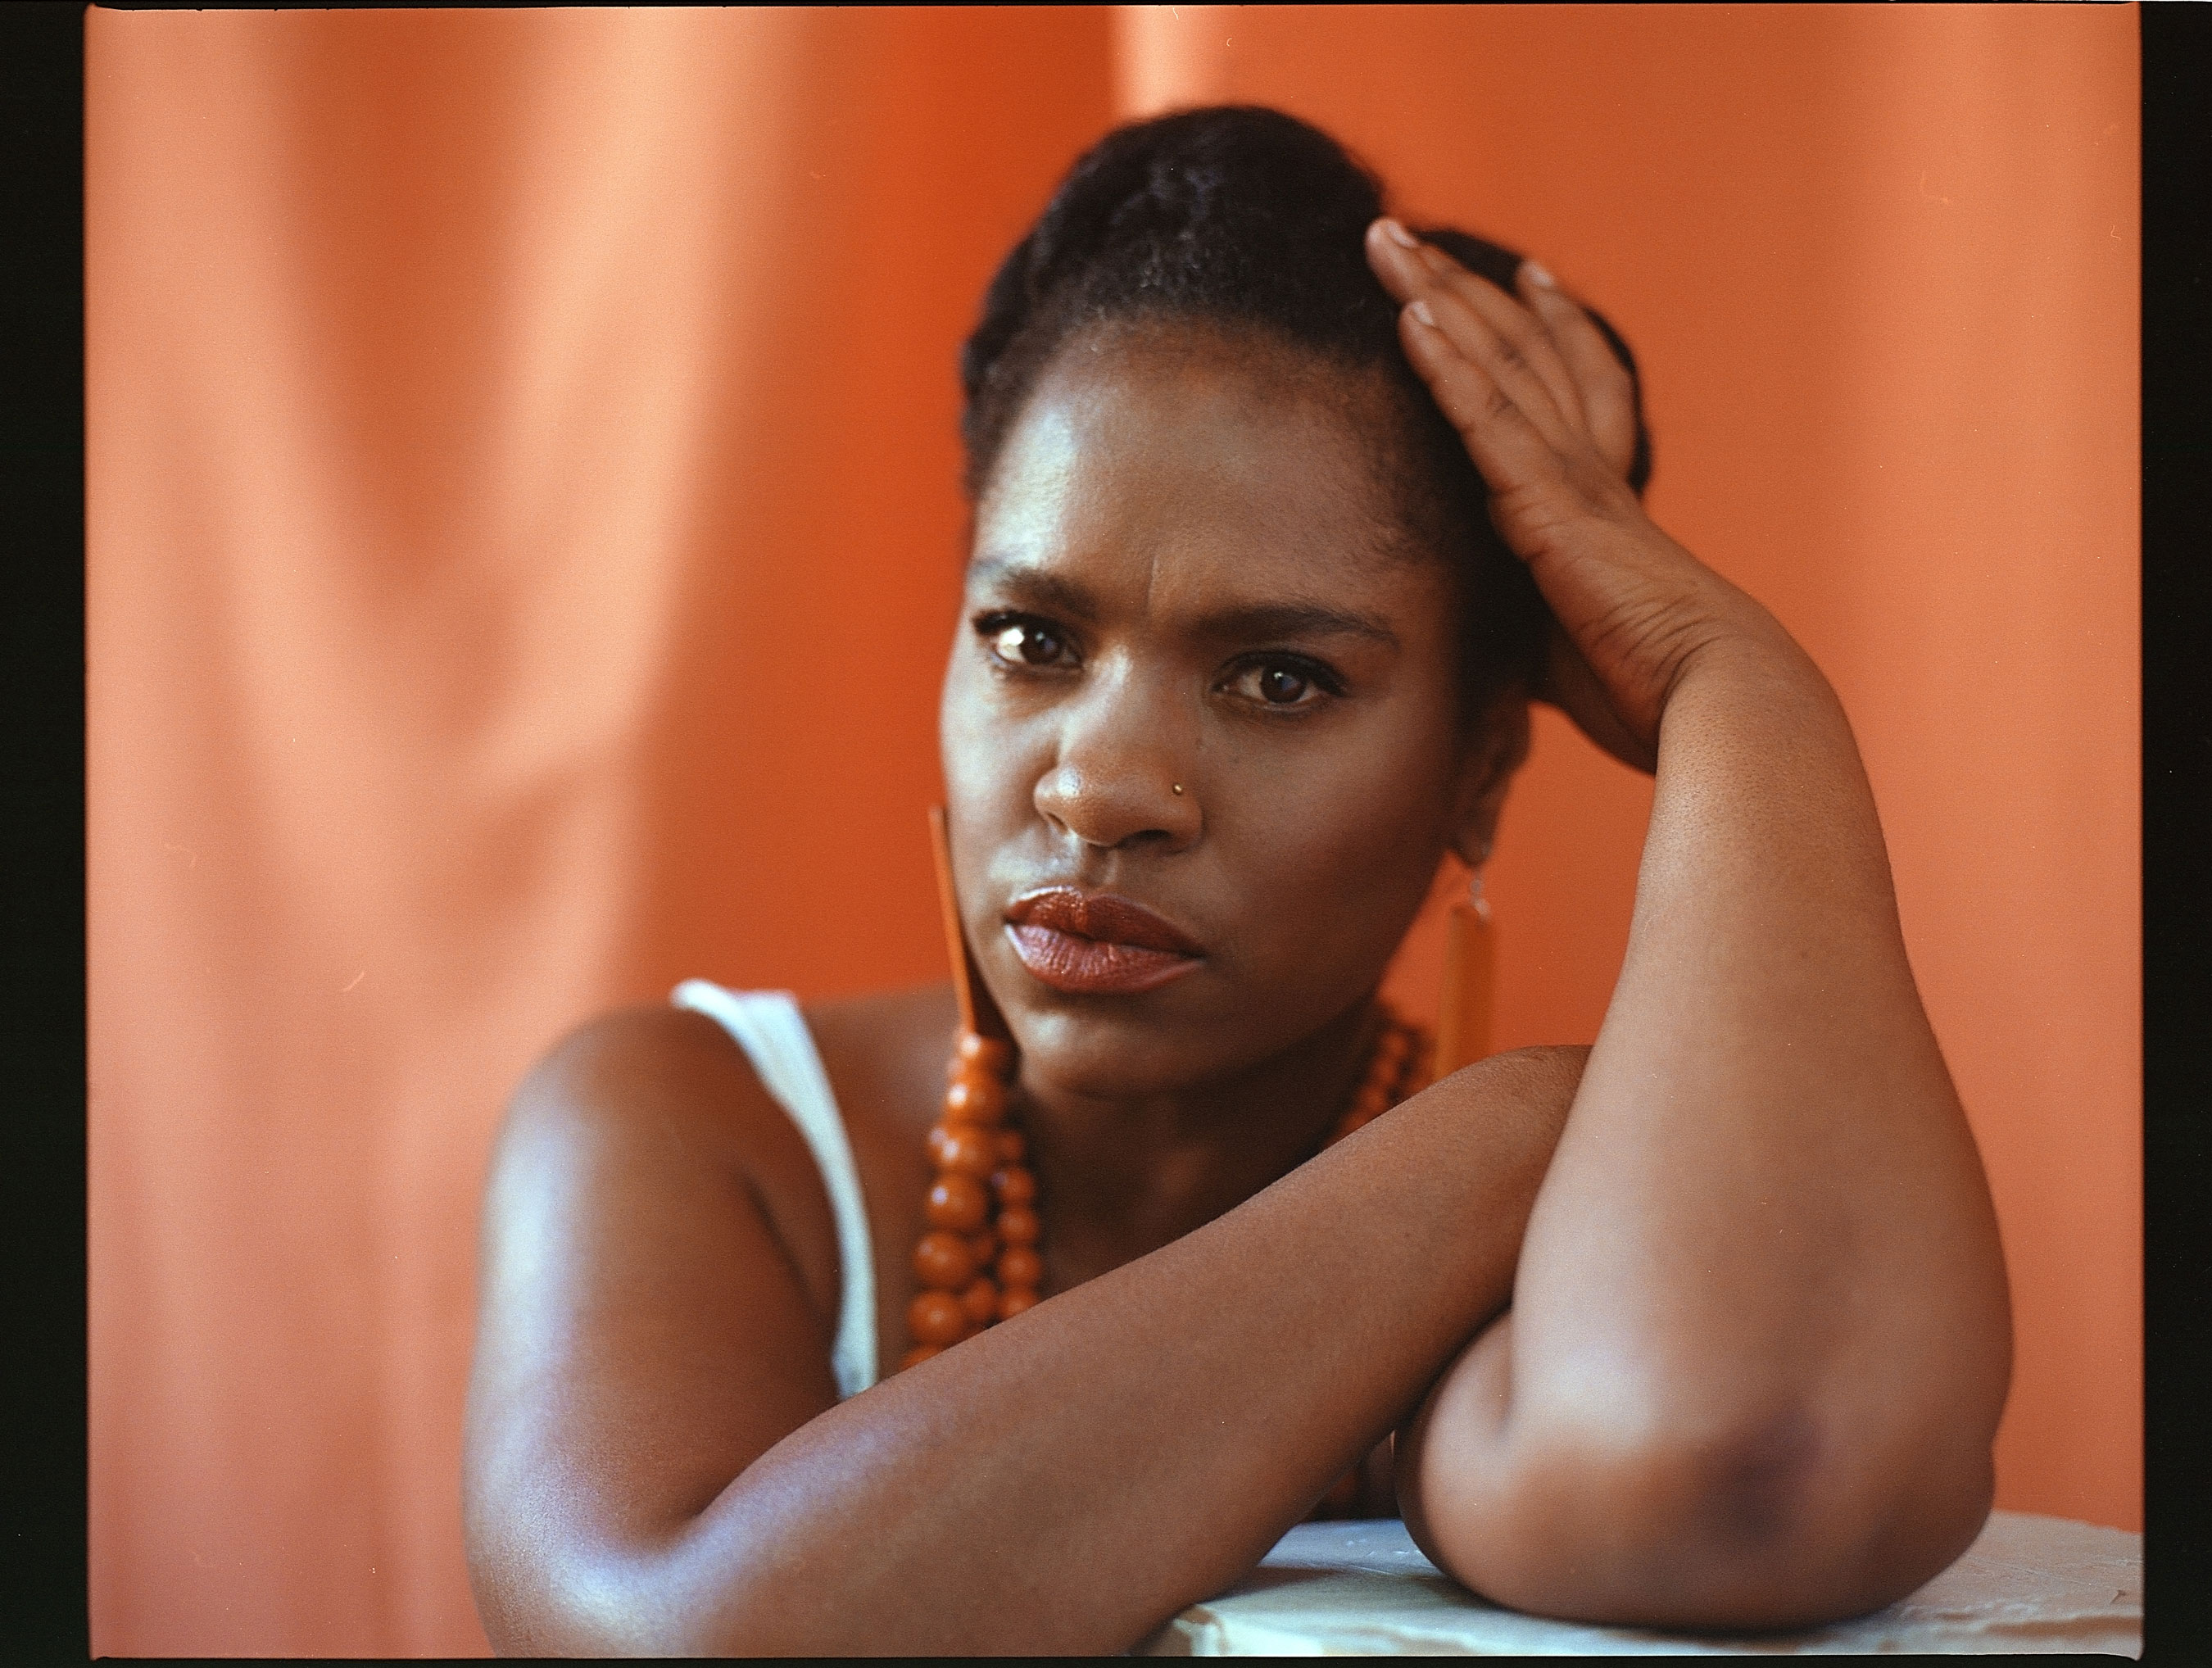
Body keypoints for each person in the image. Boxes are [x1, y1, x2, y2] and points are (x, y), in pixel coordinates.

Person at [461, 107, 2011, 1655]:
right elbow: (668, 1639)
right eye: (1030, 640)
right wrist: (1518, 1122)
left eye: (1277, 678)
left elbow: (1766, 1469)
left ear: (1477, 771)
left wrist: (1726, 678)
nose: (1099, 785)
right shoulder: (704, 1123)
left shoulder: (1577, 1269)